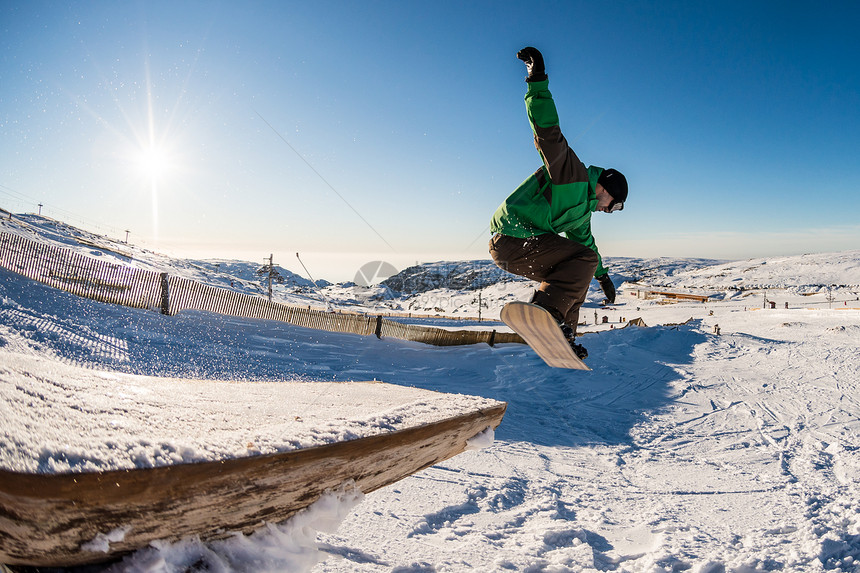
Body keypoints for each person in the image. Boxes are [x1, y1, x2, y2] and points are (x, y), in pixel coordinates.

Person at [489, 47, 628, 360]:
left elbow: (587, 247)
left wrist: (603, 278)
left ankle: (562, 335)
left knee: (578, 275)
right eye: (614, 205)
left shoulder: (581, 214)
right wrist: (536, 81)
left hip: (523, 246)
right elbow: (548, 134)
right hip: (512, 237)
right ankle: (545, 312)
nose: (610, 211)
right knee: (583, 261)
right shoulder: (573, 174)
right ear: (605, 188)